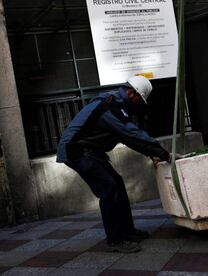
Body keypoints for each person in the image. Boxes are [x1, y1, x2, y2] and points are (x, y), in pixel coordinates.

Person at [57, 76, 171, 253]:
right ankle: (115, 241)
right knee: (109, 188)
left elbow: (129, 136)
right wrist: (161, 152)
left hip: (91, 151)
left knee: (116, 183)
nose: (139, 105)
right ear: (131, 93)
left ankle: (127, 231)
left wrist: (151, 152)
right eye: (139, 100)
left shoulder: (118, 105)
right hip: (76, 151)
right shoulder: (111, 106)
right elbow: (130, 134)